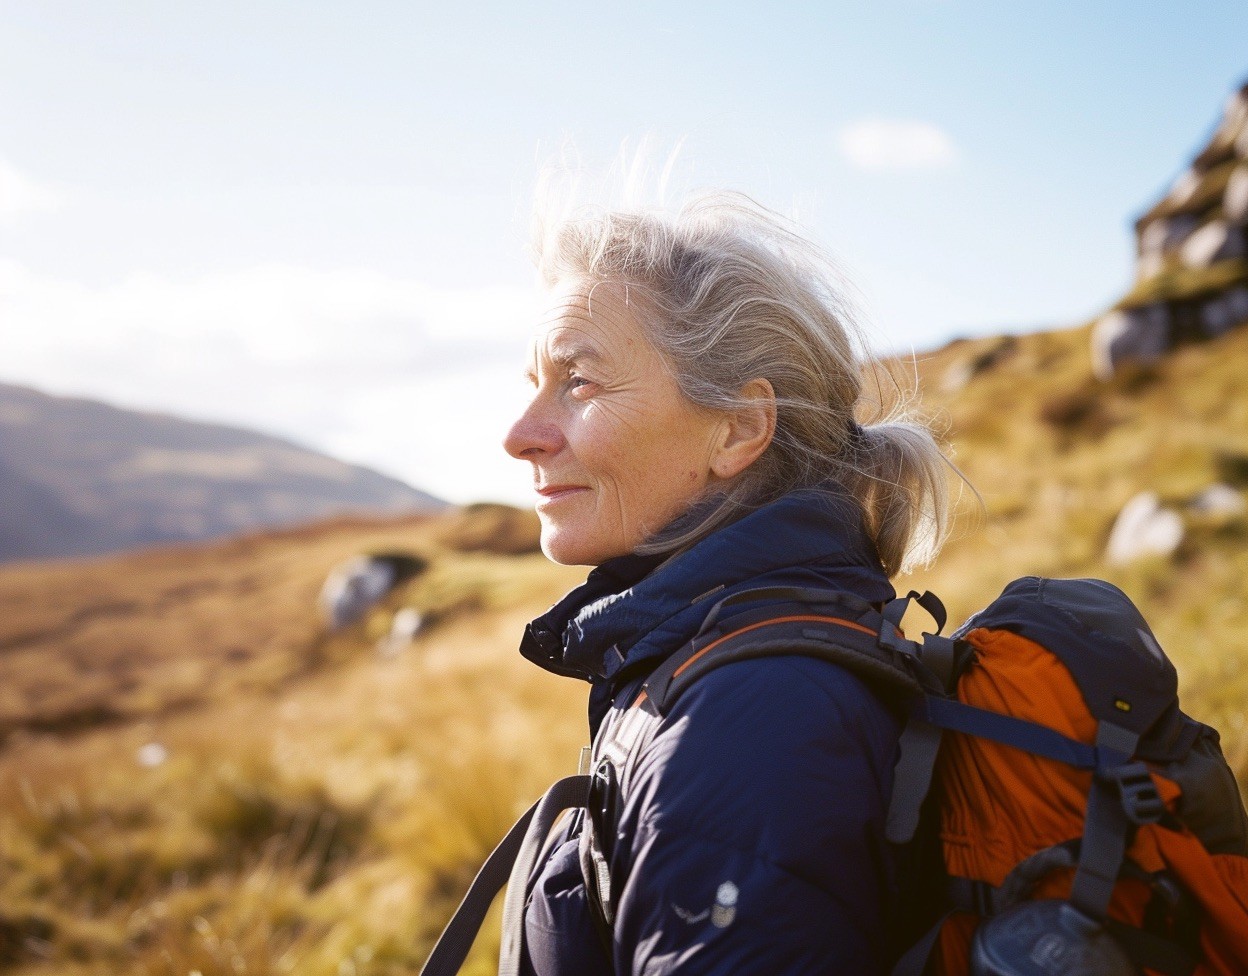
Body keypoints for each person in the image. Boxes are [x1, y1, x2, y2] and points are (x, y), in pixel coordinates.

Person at [502, 192, 956, 975]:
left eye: (578, 382)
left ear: (740, 429)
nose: (520, 436)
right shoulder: (726, 665)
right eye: (535, 381)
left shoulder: (753, 721)